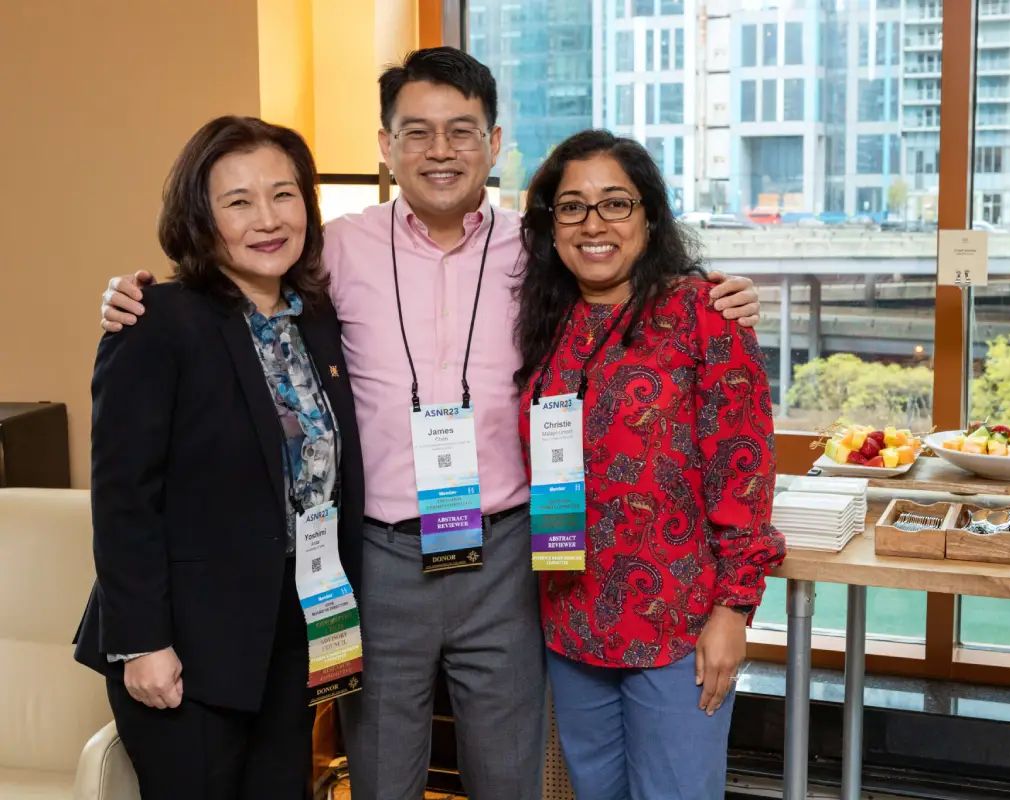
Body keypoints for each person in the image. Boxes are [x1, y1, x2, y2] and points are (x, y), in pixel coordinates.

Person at [97, 48, 760, 800]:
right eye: (416, 132)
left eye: (460, 131)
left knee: (509, 777)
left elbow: (625, 273)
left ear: (494, 142)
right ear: (385, 146)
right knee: (379, 775)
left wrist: (715, 293)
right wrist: (130, 297)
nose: (439, 151)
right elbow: (239, 297)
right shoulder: (333, 249)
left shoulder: (540, 248)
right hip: (374, 561)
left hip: (509, 554)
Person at [75, 116, 365, 799]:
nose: (267, 219)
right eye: (238, 202)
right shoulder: (156, 321)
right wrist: (142, 642)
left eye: (283, 194)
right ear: (201, 219)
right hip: (186, 648)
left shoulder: (317, 319)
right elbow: (123, 498)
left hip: (290, 634)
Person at [515, 130, 786, 800]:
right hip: (571, 620)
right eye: (572, 207)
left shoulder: (704, 314)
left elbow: (743, 468)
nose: (594, 224)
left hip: (679, 626)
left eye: (616, 203)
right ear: (552, 227)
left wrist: (733, 609)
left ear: (649, 216)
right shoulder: (544, 321)